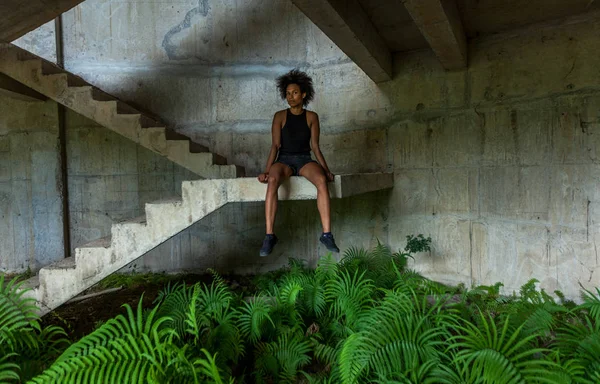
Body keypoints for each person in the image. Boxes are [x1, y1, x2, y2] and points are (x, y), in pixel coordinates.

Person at [257, 69, 340, 257]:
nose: (290, 97)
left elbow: (316, 147)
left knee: (321, 181)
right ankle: (269, 235)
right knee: (272, 181)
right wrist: (266, 170)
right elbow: (275, 146)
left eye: (294, 93)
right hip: (284, 160)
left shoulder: (312, 117)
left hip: (304, 160)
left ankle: (327, 234)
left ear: (303, 94)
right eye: (287, 93)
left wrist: (327, 171)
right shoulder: (279, 116)